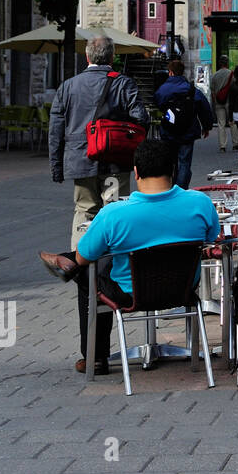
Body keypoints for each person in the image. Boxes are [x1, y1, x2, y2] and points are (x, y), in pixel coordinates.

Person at [37, 138, 220, 375]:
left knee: (85, 272)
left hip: (130, 293)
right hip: (183, 288)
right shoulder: (200, 204)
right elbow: (212, 236)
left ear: (136, 172)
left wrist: (77, 259)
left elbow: (84, 256)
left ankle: (96, 357)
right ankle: (67, 261)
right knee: (99, 262)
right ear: (173, 169)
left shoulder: (114, 214)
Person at [49, 33, 149, 248]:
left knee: (84, 210)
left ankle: (81, 262)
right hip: (115, 158)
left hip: (80, 159)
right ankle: (111, 263)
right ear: (112, 57)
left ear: (87, 58)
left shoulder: (67, 86)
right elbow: (141, 119)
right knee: (115, 210)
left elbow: (55, 130)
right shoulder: (124, 84)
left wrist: (57, 167)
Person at [154, 59, 214, 189]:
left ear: (170, 72)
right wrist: (207, 126)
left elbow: (158, 103)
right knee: (184, 162)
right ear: (182, 72)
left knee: (169, 161)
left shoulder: (163, 89)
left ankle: (168, 187)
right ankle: (181, 189)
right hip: (188, 130)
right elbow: (204, 107)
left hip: (168, 130)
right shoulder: (191, 89)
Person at [209, 55, 233, 153]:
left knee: (221, 124)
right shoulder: (231, 74)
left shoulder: (214, 75)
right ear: (227, 63)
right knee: (232, 122)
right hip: (229, 101)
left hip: (218, 102)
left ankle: (222, 145)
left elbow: (212, 91)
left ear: (219, 63)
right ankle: (236, 143)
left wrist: (215, 101)